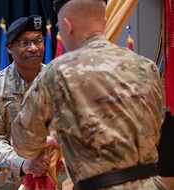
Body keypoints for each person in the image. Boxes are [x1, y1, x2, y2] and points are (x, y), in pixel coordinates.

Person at [11, 0, 168, 190]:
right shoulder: (147, 67)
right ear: (104, 21)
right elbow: (156, 129)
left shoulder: (59, 71)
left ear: (68, 26)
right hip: (152, 184)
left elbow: (23, 142)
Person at [0, 15, 53, 190]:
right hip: (6, 183)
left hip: (49, 179)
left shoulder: (56, 81)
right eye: (25, 43)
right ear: (10, 47)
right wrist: (23, 163)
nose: (34, 48)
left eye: (38, 41)